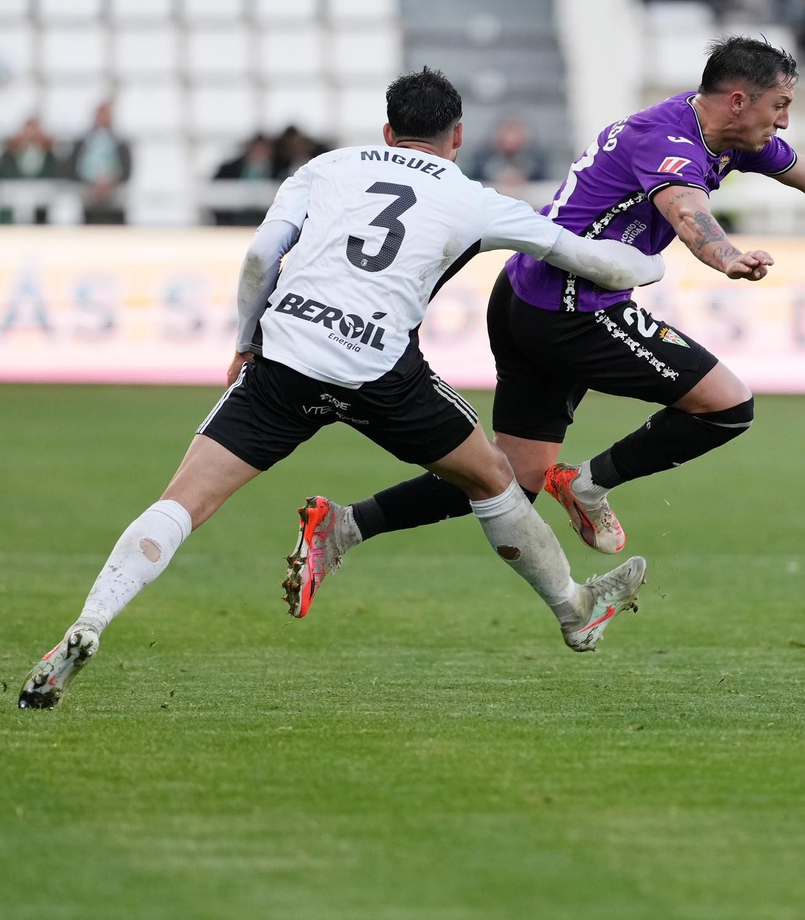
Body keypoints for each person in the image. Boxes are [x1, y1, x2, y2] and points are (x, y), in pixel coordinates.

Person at [16, 68, 669, 710]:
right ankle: (574, 610)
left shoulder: (327, 167)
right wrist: (652, 263)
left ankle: (91, 621)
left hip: (287, 356)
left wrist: (246, 339)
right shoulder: (474, 197)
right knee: (496, 478)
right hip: (380, 371)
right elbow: (576, 254)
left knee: (183, 503)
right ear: (458, 135)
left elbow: (258, 257)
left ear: (387, 130)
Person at [282, 37, 805, 616]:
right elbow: (686, 209)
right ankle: (588, 484)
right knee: (727, 406)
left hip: (532, 298)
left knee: (509, 482)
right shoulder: (666, 137)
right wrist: (724, 255)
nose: (785, 121)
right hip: (568, 308)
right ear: (739, 99)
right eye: (779, 105)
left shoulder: (732, 139)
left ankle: (342, 527)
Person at [67, 101, 131, 220]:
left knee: (120, 197)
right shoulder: (83, 141)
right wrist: (92, 182)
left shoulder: (120, 141)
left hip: (113, 186)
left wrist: (109, 182)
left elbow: (126, 170)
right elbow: (73, 167)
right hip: (88, 186)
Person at [468, 117, 549, 188]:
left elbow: (545, 184)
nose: (511, 138)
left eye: (516, 132)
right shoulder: (482, 159)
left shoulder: (536, 160)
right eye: (508, 131)